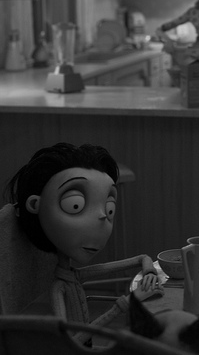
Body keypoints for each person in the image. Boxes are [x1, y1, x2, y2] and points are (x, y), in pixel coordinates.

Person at [4, 142, 161, 344]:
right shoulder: (58, 288)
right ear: (35, 205)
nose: (102, 216)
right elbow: (69, 341)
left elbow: (142, 258)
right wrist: (128, 302)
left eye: (109, 208)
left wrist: (149, 271)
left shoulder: (74, 276)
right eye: (75, 205)